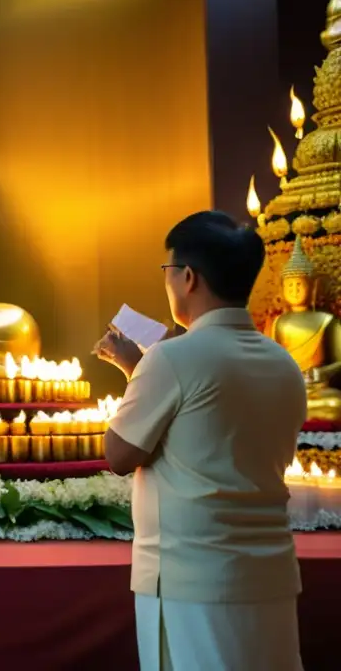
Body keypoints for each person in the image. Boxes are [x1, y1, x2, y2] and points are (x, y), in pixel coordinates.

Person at [94, 210, 306, 671]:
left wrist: (140, 370)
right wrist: (143, 369)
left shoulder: (171, 359)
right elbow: (212, 430)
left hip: (191, 580)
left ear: (188, 277)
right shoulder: (284, 364)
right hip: (269, 574)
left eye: (168, 271)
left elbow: (120, 454)